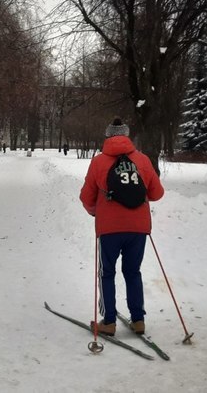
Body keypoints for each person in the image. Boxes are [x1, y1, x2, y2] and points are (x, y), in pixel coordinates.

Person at [79, 118, 164, 336]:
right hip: (138, 228)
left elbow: (87, 196)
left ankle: (108, 322)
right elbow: (157, 193)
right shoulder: (143, 160)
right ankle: (138, 320)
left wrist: (95, 212)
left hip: (109, 229)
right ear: (127, 136)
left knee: (107, 273)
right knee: (132, 271)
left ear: (108, 136)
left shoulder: (98, 162)